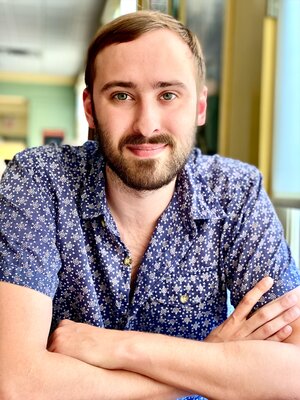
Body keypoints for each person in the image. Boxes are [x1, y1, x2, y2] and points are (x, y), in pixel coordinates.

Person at [0, 10, 300, 400]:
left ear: (199, 107)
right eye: (122, 95)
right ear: (90, 109)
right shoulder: (40, 179)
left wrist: (117, 347)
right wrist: (211, 363)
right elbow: (18, 383)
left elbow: (293, 372)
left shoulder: (234, 191)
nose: (146, 124)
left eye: (168, 95)